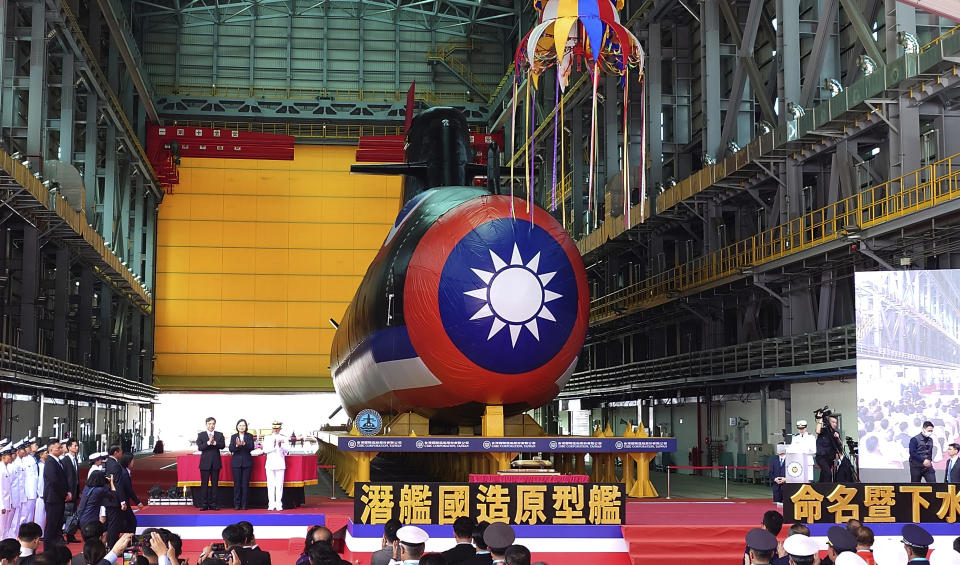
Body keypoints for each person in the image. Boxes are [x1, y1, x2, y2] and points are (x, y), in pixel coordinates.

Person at [42, 439, 70, 552]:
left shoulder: (57, 461)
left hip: (58, 497)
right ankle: (48, 550)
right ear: (51, 449)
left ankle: (54, 548)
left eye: (60, 447)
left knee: (57, 525)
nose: (60, 450)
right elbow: (54, 481)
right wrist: (64, 493)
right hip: (53, 498)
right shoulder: (50, 461)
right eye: (58, 448)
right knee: (52, 525)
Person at [195, 417, 225, 512]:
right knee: (204, 485)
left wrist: (214, 442)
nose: (211, 425)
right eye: (209, 424)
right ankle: (204, 504)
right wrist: (208, 442)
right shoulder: (201, 435)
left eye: (213, 424)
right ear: (206, 424)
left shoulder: (219, 434)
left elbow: (222, 445)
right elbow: (200, 447)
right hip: (205, 464)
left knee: (215, 485)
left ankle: (214, 504)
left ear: (215, 424)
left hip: (216, 463)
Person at [228, 420, 255, 511]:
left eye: (243, 425)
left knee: (245, 484)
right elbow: (231, 448)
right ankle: (237, 504)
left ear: (246, 427)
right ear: (237, 426)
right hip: (236, 463)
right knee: (237, 484)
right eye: (240, 425)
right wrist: (237, 445)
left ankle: (244, 505)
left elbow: (251, 447)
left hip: (247, 463)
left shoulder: (249, 436)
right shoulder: (233, 436)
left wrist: (244, 445)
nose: (242, 427)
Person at [261, 422, 286, 512]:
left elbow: (287, 451)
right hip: (270, 464)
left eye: (277, 428)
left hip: (280, 463)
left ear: (280, 429)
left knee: (279, 485)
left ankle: (279, 503)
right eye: (274, 428)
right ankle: (271, 503)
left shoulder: (283, 437)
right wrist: (274, 446)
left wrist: (281, 446)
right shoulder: (267, 437)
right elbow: (265, 450)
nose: (275, 430)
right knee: (270, 485)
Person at [116, 454, 142, 535]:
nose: (133, 462)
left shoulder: (124, 471)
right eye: (132, 460)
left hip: (123, 500)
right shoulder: (124, 473)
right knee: (131, 521)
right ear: (128, 462)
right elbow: (129, 490)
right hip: (123, 501)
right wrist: (137, 502)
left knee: (128, 521)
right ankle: (129, 540)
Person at [62, 439, 81, 544]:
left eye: (77, 446)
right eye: (74, 446)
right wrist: (66, 491)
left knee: (73, 514)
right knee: (66, 514)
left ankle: (70, 535)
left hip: (74, 490)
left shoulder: (75, 459)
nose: (76, 448)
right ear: (69, 447)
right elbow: (65, 478)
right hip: (68, 492)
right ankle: (63, 534)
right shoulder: (65, 460)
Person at [816, 414, 843, 482]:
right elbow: (817, 431)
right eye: (833, 422)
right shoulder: (824, 430)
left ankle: (820, 488)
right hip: (821, 457)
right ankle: (827, 489)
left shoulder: (835, 433)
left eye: (836, 423)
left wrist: (838, 438)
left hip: (830, 457)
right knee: (828, 473)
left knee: (824, 474)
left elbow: (840, 444)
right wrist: (820, 420)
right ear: (829, 422)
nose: (835, 424)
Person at [20, 441, 39, 534]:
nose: (27, 449)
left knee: (30, 515)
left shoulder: (32, 459)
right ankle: (22, 534)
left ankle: (28, 534)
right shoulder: (22, 460)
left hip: (33, 490)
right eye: (26, 447)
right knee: (23, 515)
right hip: (26, 491)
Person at [34, 446, 47, 529]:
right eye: (46, 453)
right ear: (41, 455)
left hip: (45, 494)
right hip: (40, 494)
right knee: (39, 516)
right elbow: (40, 482)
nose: (47, 454)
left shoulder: (45, 465)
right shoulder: (39, 465)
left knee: (44, 516)